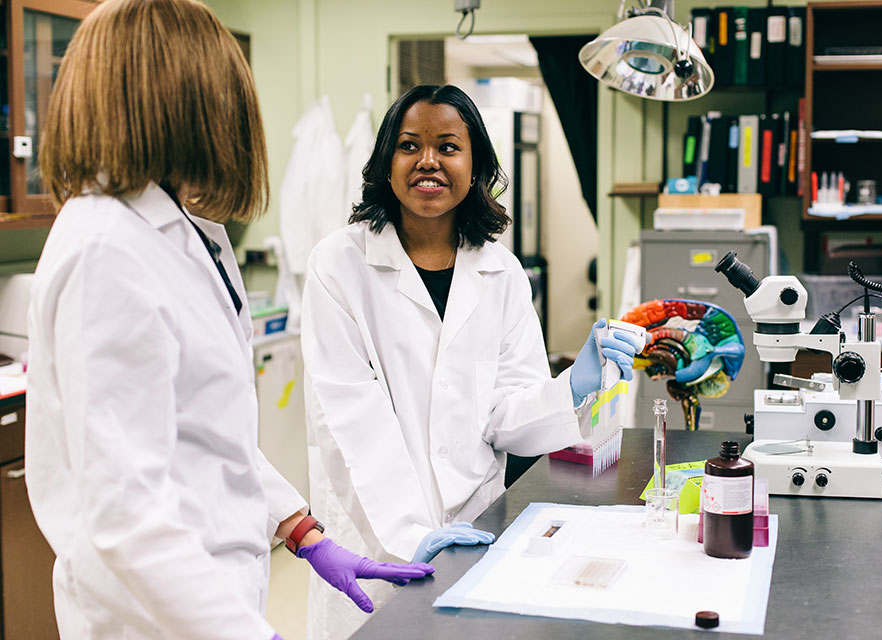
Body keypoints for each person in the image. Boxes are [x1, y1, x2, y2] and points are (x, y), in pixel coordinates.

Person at [25, 2, 432, 639]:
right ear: (179, 101)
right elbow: (124, 514)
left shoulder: (179, 231)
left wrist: (301, 530)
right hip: (152, 619)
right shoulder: (106, 250)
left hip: (213, 596)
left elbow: (207, 429)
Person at [300, 84, 640, 639]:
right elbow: (351, 420)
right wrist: (411, 533)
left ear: (475, 163)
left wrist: (570, 387)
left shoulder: (500, 271)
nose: (428, 161)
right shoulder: (339, 264)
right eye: (410, 145)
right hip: (374, 533)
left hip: (477, 523)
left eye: (448, 147)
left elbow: (507, 415)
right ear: (386, 161)